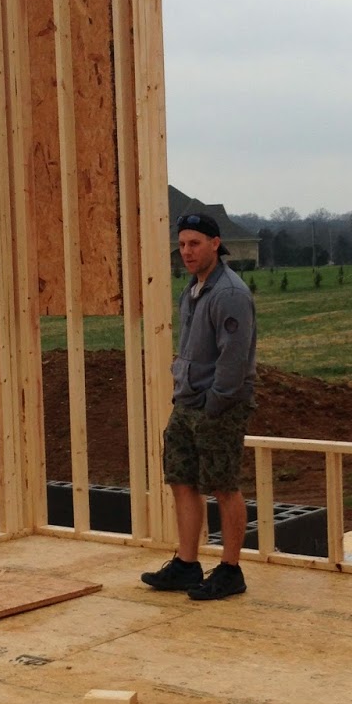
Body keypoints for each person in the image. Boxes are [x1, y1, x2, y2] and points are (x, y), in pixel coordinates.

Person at [141, 210, 257, 600]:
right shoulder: (192, 290)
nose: (186, 252)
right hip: (188, 402)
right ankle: (187, 564)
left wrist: (215, 403)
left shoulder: (229, 294)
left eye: (194, 244)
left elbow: (234, 359)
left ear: (215, 244)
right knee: (182, 479)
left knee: (223, 484)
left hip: (218, 405)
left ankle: (230, 570)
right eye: (182, 244)